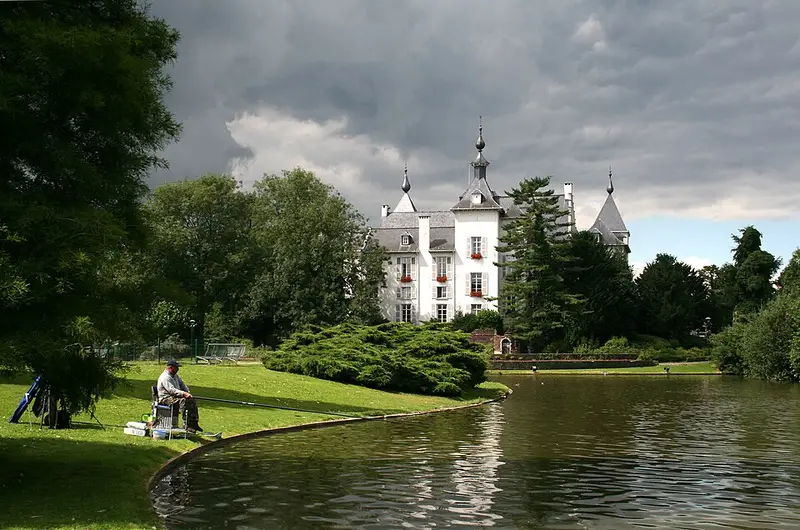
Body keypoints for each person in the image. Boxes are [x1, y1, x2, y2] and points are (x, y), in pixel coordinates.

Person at [157, 359, 203, 433]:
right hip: (165, 399)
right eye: (176, 367)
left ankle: (194, 423)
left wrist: (187, 392)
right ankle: (187, 425)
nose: (178, 369)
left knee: (192, 400)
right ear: (170, 367)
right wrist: (184, 394)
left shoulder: (175, 376)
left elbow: (182, 384)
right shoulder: (165, 377)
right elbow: (172, 390)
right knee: (183, 401)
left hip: (174, 397)